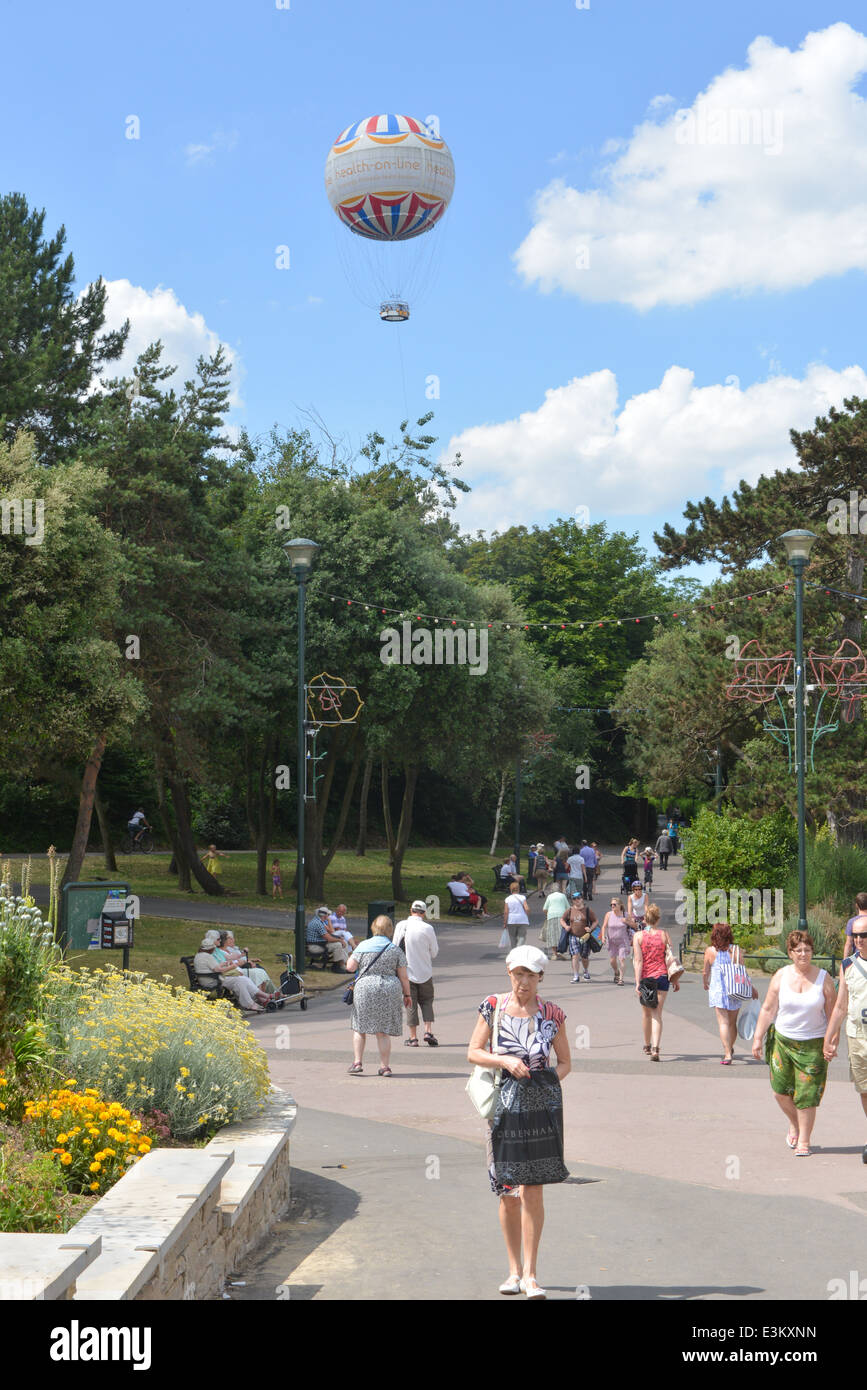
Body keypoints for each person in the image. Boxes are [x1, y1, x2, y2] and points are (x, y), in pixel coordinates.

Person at [466, 945, 571, 1300]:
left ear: (540, 977)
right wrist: (505, 1062)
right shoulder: (493, 1007)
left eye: (530, 975)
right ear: (509, 974)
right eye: (517, 974)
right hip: (502, 1111)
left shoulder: (552, 1014)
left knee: (534, 1190)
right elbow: (473, 1052)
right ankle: (512, 1271)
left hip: (540, 1111)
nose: (522, 982)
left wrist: (546, 1087)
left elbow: (566, 1062)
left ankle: (531, 1275)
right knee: (509, 1192)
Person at [751, 930, 837, 1156]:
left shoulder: (824, 979)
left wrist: (831, 1042)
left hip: (812, 1046)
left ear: (812, 952)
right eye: (798, 950)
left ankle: (804, 1142)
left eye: (807, 950)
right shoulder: (780, 976)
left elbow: (833, 1016)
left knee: (806, 1095)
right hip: (782, 1042)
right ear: (790, 953)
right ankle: (796, 1124)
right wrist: (758, 1037)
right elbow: (768, 1009)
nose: (803, 954)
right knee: (780, 1091)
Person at [824, 911, 867, 1163]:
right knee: (864, 1089)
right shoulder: (848, 965)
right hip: (857, 1036)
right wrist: (830, 1037)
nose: (859, 940)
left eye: (864, 935)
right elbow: (840, 1006)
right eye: (856, 935)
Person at [346, 915, 411, 1077]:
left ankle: (357, 1062)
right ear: (390, 930)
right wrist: (407, 994)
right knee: (382, 1031)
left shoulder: (363, 946)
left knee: (360, 1027)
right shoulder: (395, 950)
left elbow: (350, 967)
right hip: (389, 989)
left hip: (365, 988)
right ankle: (385, 1067)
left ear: (373, 928)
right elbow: (403, 976)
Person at [702, 923, 759, 1063]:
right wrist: (751, 988)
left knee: (723, 1023)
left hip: (719, 991)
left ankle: (727, 1053)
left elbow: (705, 971)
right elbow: (743, 972)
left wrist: (705, 981)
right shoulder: (736, 950)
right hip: (735, 989)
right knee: (732, 1023)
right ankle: (730, 1047)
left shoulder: (710, 951)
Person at [633, 903, 680, 1061]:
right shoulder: (664, 935)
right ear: (658, 919)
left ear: (645, 919)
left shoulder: (638, 937)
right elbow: (670, 959)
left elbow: (638, 961)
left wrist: (637, 982)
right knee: (657, 1014)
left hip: (647, 978)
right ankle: (655, 1048)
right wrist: (675, 979)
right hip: (662, 977)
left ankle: (647, 1045)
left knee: (646, 1013)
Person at [394, 900, 440, 1047]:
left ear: (411, 909)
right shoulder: (428, 928)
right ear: (424, 913)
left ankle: (413, 1037)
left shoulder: (401, 926)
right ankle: (428, 1031)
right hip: (425, 971)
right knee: (427, 1001)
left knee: (410, 1003)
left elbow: (394, 947)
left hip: (406, 972)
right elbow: (434, 952)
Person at [193, 931, 271, 1012]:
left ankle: (261, 998)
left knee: (242, 980)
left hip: (214, 977)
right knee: (239, 981)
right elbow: (218, 970)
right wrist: (233, 966)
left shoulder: (203, 955)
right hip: (213, 980)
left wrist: (225, 963)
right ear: (209, 949)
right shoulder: (207, 957)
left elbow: (216, 967)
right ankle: (252, 1003)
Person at [560, 892, 598, 983]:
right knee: (575, 955)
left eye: (578, 898)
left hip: (585, 937)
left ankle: (585, 971)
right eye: (574, 899)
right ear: (572, 901)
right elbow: (562, 919)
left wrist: (590, 928)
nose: (577, 900)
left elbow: (595, 921)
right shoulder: (569, 910)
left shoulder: (587, 910)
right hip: (573, 936)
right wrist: (566, 926)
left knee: (584, 957)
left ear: (582, 899)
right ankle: (576, 975)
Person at [601, 897, 631, 985]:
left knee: (622, 959)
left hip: (623, 941)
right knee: (612, 961)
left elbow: (634, 925)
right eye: (611, 904)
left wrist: (627, 921)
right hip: (611, 941)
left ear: (620, 905)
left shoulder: (625, 914)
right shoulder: (609, 914)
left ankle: (621, 979)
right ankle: (616, 972)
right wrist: (603, 936)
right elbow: (604, 926)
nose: (612, 906)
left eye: (614, 904)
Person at [541, 883, 570, 960]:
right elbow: (568, 908)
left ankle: (554, 954)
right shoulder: (563, 896)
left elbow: (544, 909)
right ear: (559, 889)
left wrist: (547, 915)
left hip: (551, 916)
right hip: (562, 916)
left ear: (551, 889)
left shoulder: (549, 897)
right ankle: (561, 951)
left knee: (553, 935)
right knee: (561, 934)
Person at [503, 880, 530, 949]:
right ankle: (519, 950)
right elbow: (527, 909)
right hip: (522, 920)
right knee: (522, 937)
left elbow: (506, 912)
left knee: (512, 938)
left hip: (511, 920)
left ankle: (514, 952)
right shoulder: (522, 897)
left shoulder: (507, 899)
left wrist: (505, 922)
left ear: (510, 889)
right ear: (519, 889)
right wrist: (525, 916)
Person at [844, 892, 867, 960]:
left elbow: (849, 944)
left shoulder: (852, 922)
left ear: (856, 905)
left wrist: (845, 962)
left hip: (858, 960)